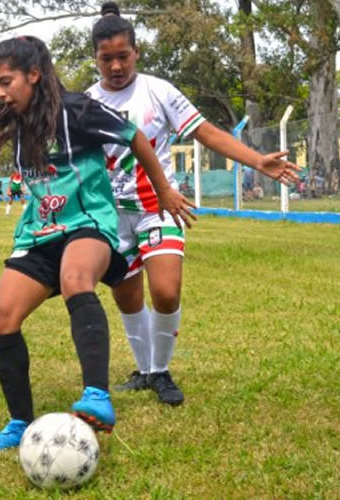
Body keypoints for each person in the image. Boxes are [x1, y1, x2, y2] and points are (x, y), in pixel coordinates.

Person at [0, 36, 195, 452]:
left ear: (34, 75)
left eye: (7, 82)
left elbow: (135, 137)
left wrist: (163, 189)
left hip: (87, 224)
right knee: (2, 317)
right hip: (40, 233)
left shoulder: (75, 109)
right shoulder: (17, 120)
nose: (0, 93)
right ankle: (19, 422)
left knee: (76, 278)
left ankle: (97, 395)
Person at [87, 2, 300, 405]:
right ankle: (145, 371)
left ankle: (162, 371)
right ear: (95, 59)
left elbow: (206, 133)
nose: (115, 66)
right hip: (110, 217)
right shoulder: (86, 101)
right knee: (128, 298)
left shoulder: (159, 91)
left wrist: (257, 160)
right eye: (106, 59)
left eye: (123, 56)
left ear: (136, 52)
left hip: (159, 207)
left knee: (166, 292)